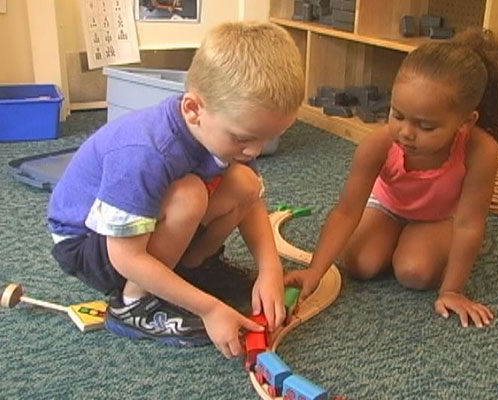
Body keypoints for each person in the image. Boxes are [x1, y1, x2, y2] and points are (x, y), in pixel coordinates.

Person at [47, 21, 305, 357]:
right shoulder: (145, 152)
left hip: (142, 228)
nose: (255, 150)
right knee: (189, 196)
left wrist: (271, 270)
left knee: (245, 181)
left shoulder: (220, 133)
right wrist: (209, 309)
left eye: (267, 138)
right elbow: (124, 256)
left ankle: (196, 268)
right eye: (243, 138)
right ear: (193, 109)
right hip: (90, 244)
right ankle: (133, 304)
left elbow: (251, 200)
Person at [285, 29, 498, 328]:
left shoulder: (482, 149)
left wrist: (452, 290)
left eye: (426, 126)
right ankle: (398, 238)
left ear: (466, 122)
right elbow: (347, 211)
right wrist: (314, 272)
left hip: (440, 218)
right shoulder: (378, 145)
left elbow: (469, 223)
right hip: (388, 206)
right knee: (360, 263)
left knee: (415, 271)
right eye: (397, 115)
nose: (406, 133)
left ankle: (418, 244)